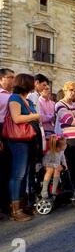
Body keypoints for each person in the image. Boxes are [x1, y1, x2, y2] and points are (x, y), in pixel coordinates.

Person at [6, 74, 41, 221]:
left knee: (24, 174)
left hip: (26, 140)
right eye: (32, 82)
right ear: (26, 83)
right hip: (18, 140)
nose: (35, 83)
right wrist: (35, 116)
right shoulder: (15, 98)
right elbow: (16, 118)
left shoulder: (25, 99)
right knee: (18, 175)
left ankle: (21, 204)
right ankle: (15, 210)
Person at [55, 81, 75, 192]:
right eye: (71, 90)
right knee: (73, 165)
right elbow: (68, 120)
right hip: (70, 139)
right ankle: (73, 191)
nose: (74, 92)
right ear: (65, 90)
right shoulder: (60, 104)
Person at [0, 68, 15, 217]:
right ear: (1, 79)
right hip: (1, 132)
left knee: (7, 170)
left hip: (10, 132)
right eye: (10, 77)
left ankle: (6, 204)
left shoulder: (12, 95)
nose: (12, 80)